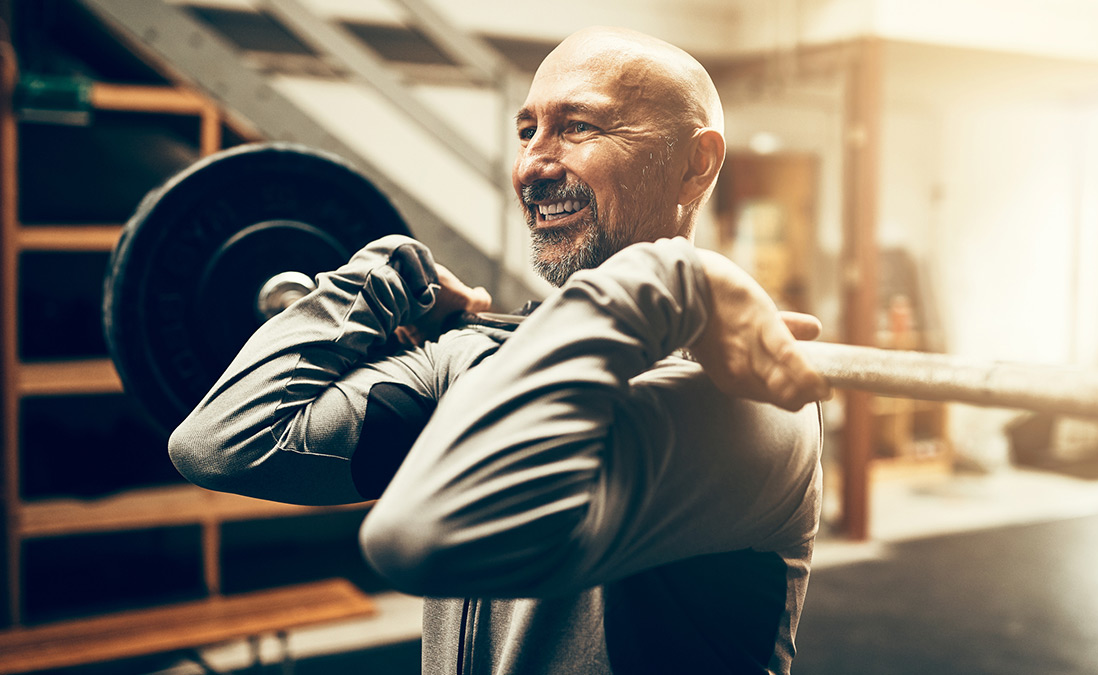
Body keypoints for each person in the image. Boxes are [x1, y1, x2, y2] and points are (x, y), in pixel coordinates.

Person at [170, 26, 828, 675]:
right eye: (525, 130)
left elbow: (422, 535)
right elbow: (224, 441)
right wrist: (383, 275)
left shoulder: (748, 408)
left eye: (578, 128)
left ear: (696, 165)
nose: (532, 167)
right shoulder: (478, 357)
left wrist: (664, 279)